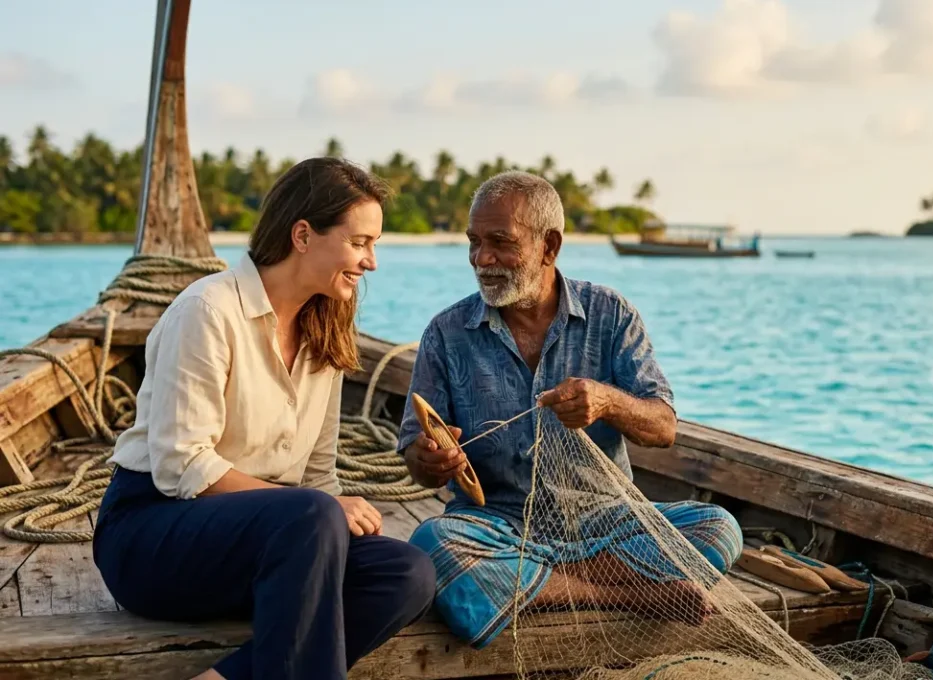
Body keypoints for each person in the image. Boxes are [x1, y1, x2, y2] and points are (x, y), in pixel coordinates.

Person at [93, 158, 436, 680]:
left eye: (374, 245)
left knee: (406, 573)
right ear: (303, 235)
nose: (371, 262)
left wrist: (329, 518)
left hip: (271, 541)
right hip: (153, 538)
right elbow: (181, 467)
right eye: (359, 243)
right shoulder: (208, 311)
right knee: (312, 513)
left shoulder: (328, 331)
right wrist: (318, 510)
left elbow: (318, 476)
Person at [400, 170, 742, 649]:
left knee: (719, 529)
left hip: (606, 522)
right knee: (432, 546)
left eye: (500, 242)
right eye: (474, 242)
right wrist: (430, 460)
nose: (482, 258)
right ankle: (628, 595)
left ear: (550, 246)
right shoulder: (446, 332)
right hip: (497, 526)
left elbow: (663, 428)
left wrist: (607, 400)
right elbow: (416, 460)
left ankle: (531, 586)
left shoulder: (611, 314)